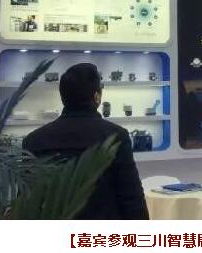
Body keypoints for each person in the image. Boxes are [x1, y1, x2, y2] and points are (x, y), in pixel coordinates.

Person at [23, 63, 149, 220]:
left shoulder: (34, 141)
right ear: (97, 97)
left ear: (63, 97)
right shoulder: (115, 136)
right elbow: (131, 199)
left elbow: (27, 202)